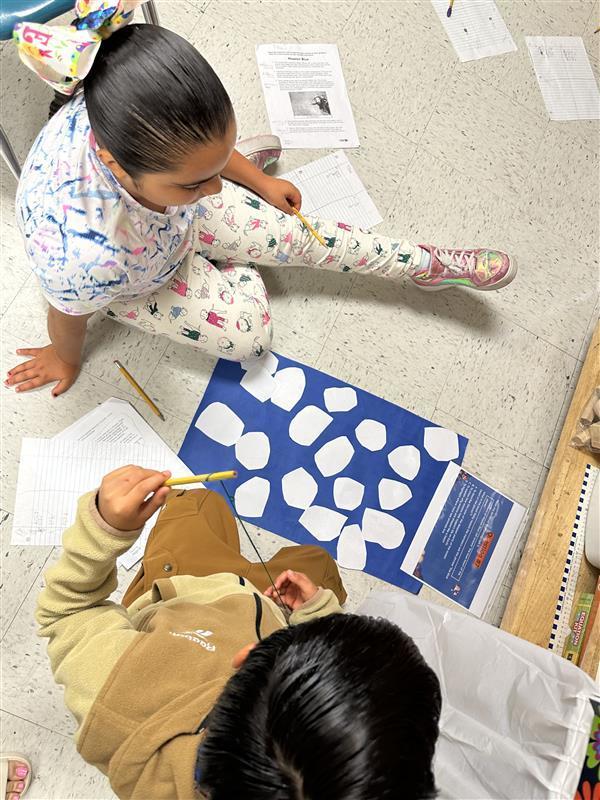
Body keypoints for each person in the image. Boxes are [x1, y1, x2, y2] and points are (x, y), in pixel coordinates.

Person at [7, 3, 516, 398]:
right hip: (135, 275)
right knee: (250, 337)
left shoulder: (129, 115)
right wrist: (64, 356)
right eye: (195, 181)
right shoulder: (82, 259)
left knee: (299, 235)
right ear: (116, 162)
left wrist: (256, 181)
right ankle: (232, 256)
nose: (216, 188)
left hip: (163, 222)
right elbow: (67, 313)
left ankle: (422, 264)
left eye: (216, 167)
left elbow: (199, 158)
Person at [36, 465, 442, 798]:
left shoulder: (114, 692)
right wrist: (318, 613)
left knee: (196, 500)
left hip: (184, 589)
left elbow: (65, 611)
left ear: (246, 658)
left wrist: (103, 529)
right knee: (315, 560)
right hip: (274, 603)